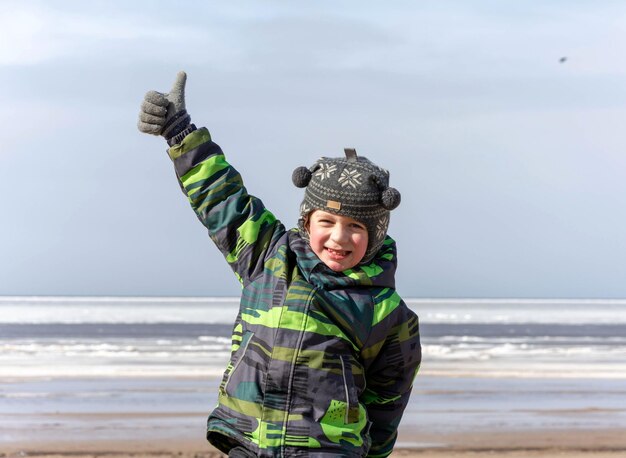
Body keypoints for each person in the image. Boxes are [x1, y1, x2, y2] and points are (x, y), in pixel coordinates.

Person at [137, 71, 421, 458]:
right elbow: (221, 197)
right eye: (327, 222)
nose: (339, 238)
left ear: (376, 233)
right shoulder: (269, 256)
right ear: (307, 221)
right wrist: (178, 132)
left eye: (356, 226)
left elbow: (387, 407)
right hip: (247, 444)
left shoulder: (389, 315)